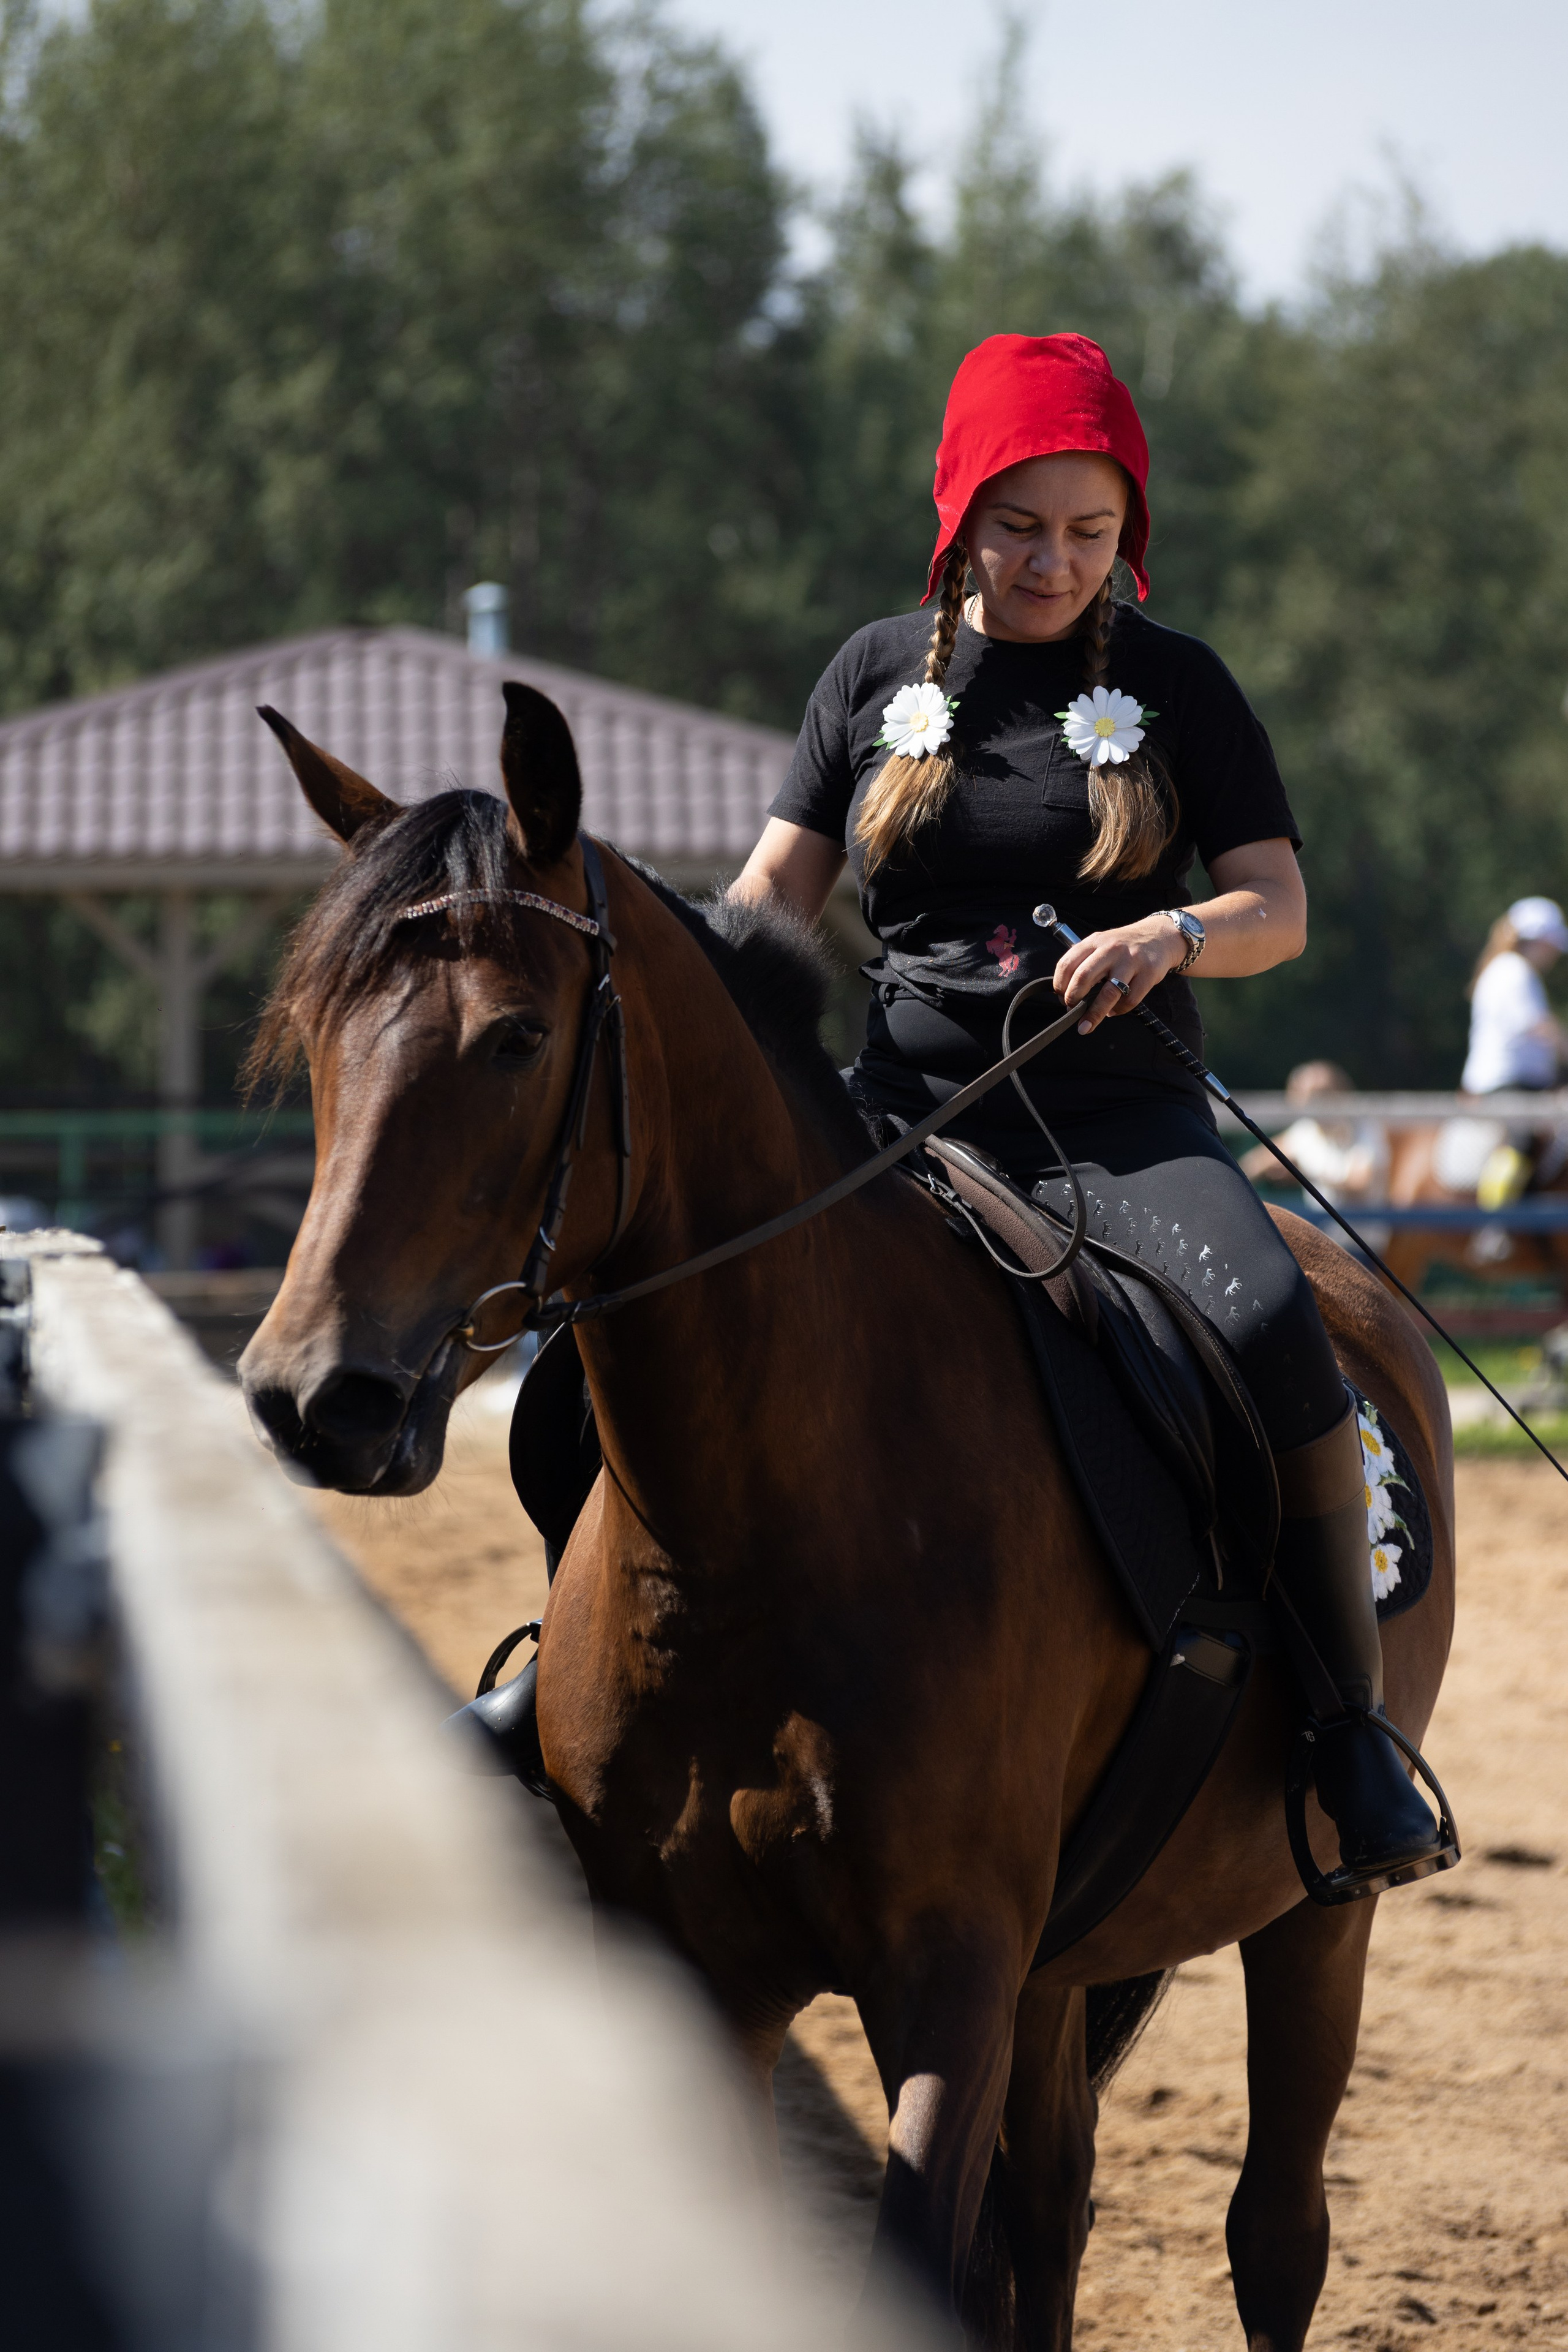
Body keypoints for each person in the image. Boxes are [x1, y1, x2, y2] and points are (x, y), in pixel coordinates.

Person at [733, 331, 1442, 1891]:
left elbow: (1277, 906)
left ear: (1128, 533)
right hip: (900, 1116)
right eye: (1021, 526)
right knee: (678, 1303)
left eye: (1090, 532)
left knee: (1268, 1326)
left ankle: (1343, 1723)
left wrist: (1175, 931)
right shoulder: (867, 674)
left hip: (1122, 1127)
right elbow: (768, 904)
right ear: (957, 517)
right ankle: (572, 1679)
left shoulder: (1178, 685)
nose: (1056, 563)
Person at [1434, 898, 1568, 1208]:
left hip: (1525, 1082)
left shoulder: (1513, 971)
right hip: (1505, 1084)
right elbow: (1541, 1028)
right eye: (1552, 944)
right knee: (1522, 1139)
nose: (1555, 954)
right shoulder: (1513, 971)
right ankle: (1496, 1224)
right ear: (1537, 939)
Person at [1238, 1060, 1390, 1248]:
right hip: (1323, 1243)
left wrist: (1302, 1173)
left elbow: (1359, 1184)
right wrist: (1233, 1185)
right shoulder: (1306, 1131)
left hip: (1364, 1245)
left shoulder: (1365, 1129)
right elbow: (1258, 1161)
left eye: (1314, 1098)